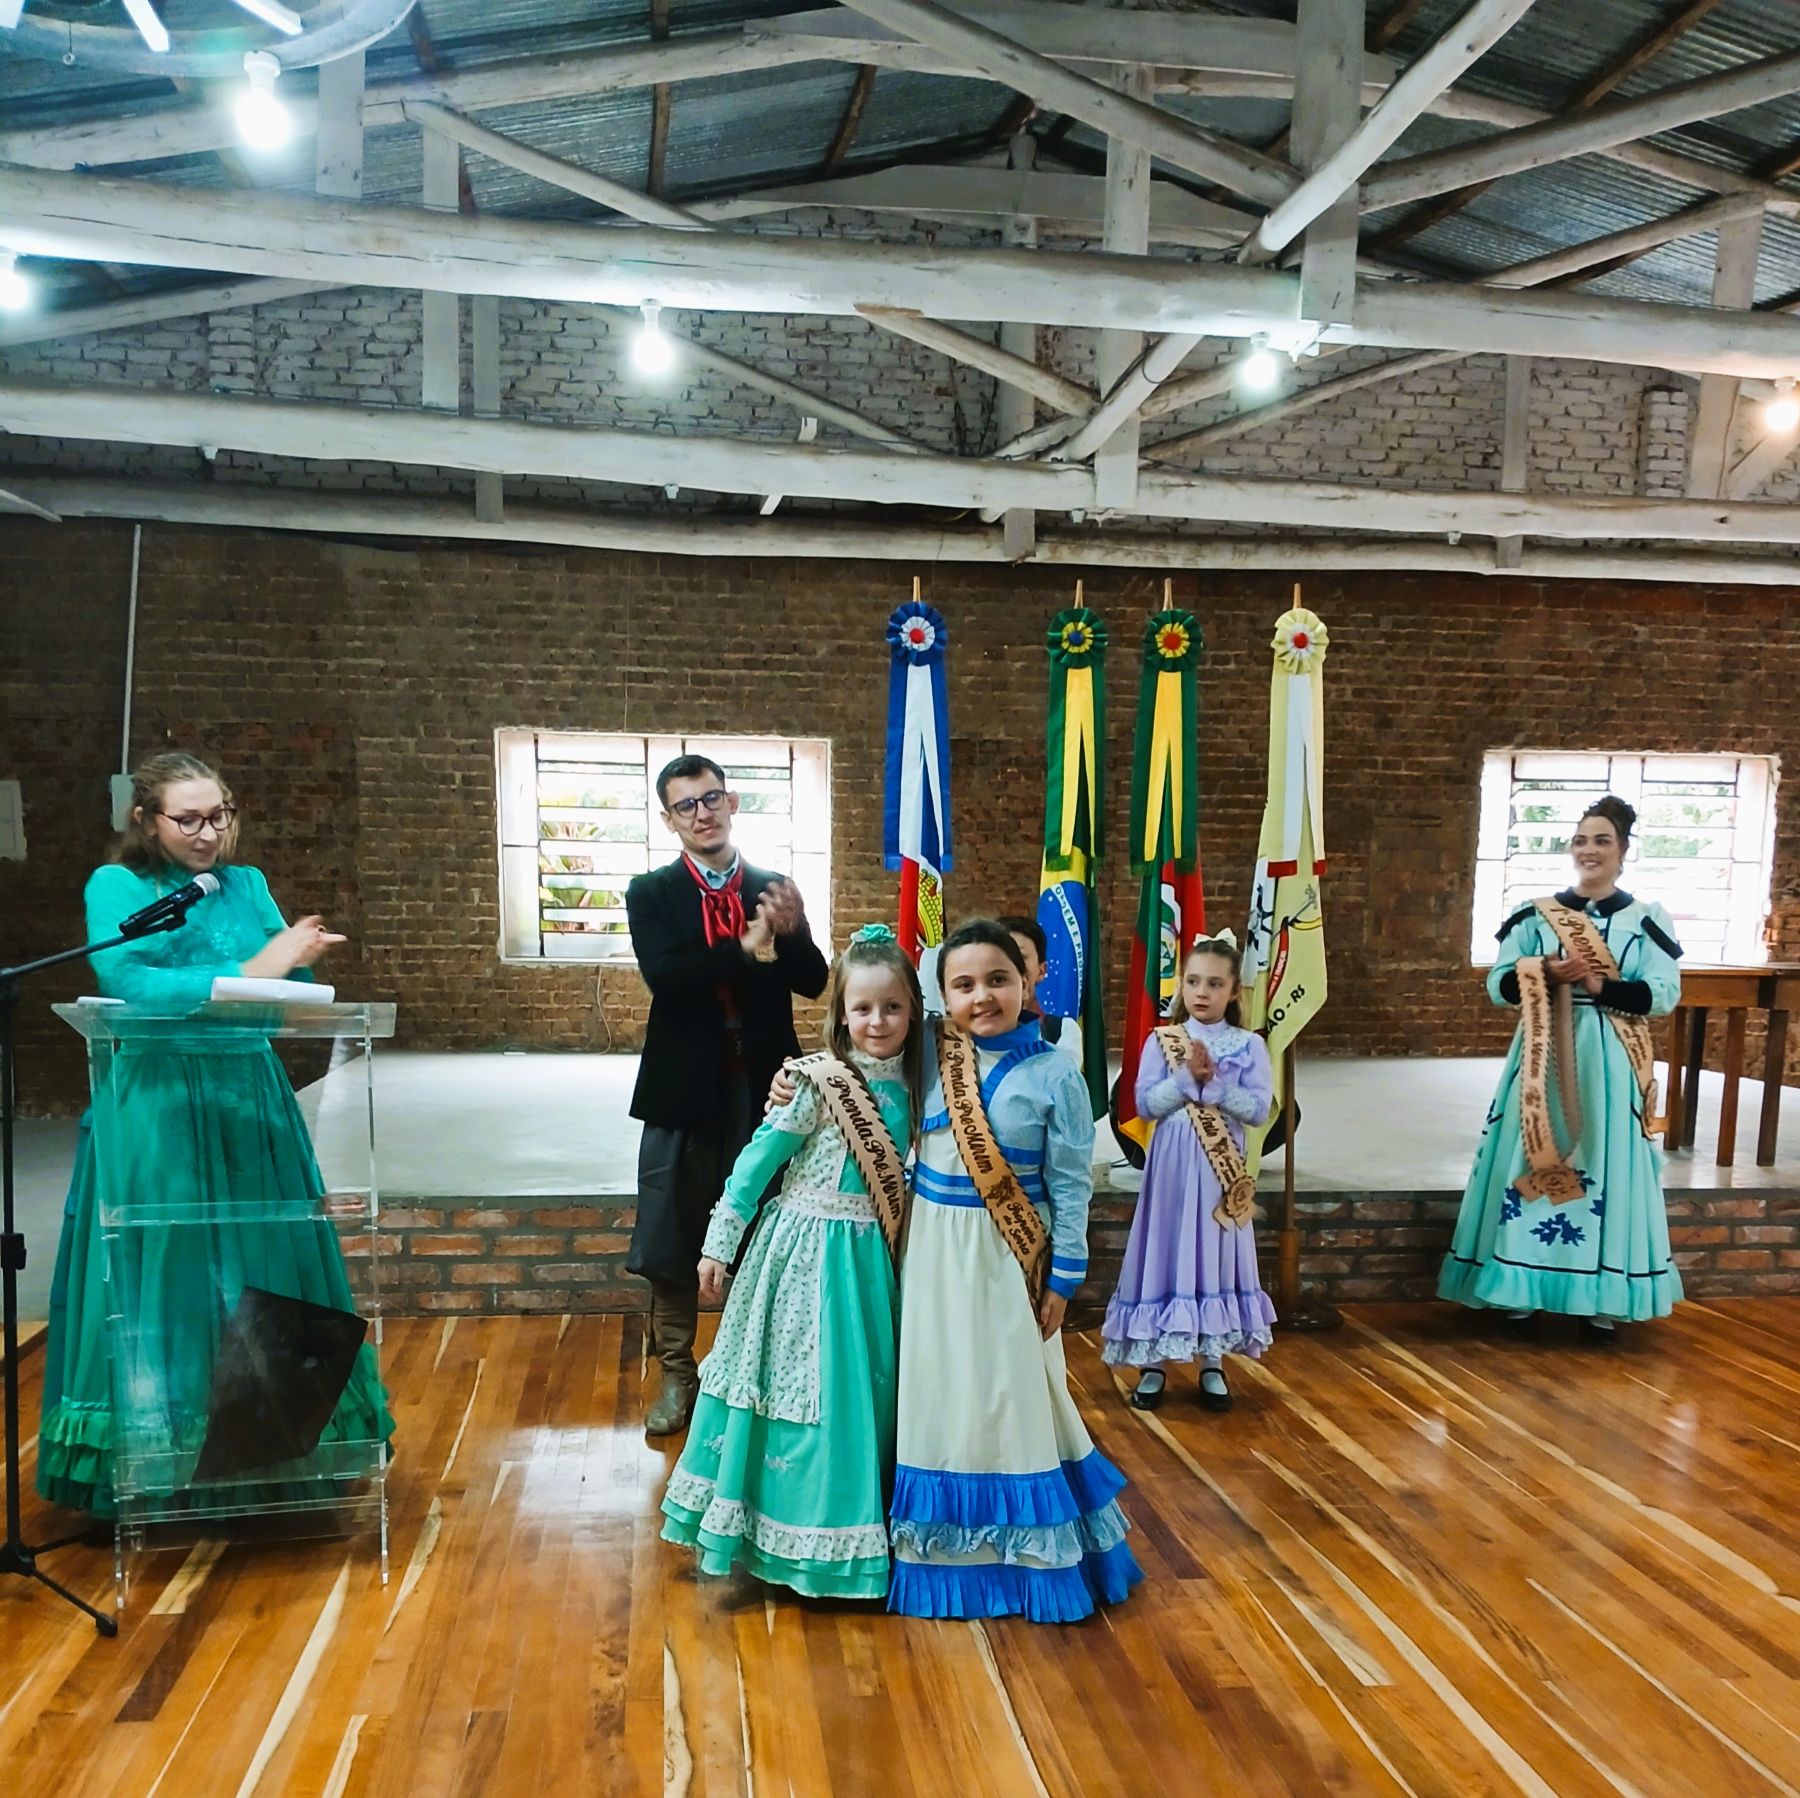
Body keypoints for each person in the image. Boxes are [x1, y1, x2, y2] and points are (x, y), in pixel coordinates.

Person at [37, 751, 393, 1518]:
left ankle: (272, 1447)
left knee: (266, 1260)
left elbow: (291, 992)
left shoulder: (247, 884)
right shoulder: (118, 886)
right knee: (166, 1269)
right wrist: (261, 964)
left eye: (219, 816)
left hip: (247, 1094)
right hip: (158, 1099)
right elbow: (130, 983)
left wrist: (286, 966)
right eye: (188, 819)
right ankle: (158, 1459)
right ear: (145, 820)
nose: (208, 834)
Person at [884, 919, 1141, 1621]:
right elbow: (856, 1061)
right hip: (934, 1256)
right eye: (964, 985)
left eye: (998, 980)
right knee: (940, 1389)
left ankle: (1029, 1561)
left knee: (1015, 1393)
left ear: (1027, 983)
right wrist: (791, 1082)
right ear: (942, 996)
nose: (982, 997)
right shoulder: (929, 1056)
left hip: (1010, 1260)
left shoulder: (1057, 1074)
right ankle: (943, 1556)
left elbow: (1071, 1185)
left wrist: (1063, 1278)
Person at [660, 926, 923, 1600]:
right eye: (862, 1008)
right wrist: (720, 1240)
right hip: (805, 1258)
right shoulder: (814, 1082)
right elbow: (757, 1163)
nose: (877, 1021)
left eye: (893, 1007)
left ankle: (853, 1536)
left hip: (874, 1260)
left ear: (913, 1010)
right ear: (841, 1014)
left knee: (863, 1389)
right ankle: (785, 1534)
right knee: (804, 1388)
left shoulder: (922, 1082)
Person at [626, 753, 830, 1436]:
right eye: (685, 805)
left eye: (711, 798)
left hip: (767, 1082)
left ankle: (747, 1373)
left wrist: (789, 932)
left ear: (732, 802)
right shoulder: (651, 892)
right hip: (683, 1085)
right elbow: (668, 979)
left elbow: (812, 982)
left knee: (766, 1224)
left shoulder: (772, 886)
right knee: (673, 1230)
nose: (702, 813)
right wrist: (747, 946)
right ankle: (678, 1373)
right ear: (669, 820)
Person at [1438, 796, 1684, 1336]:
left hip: (1608, 1058)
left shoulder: (1645, 920)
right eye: (1581, 840)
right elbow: (1499, 985)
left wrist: (1599, 984)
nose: (1589, 850)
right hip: (1541, 1054)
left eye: (1602, 840)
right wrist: (1544, 970)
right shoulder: (1536, 915)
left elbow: (1663, 993)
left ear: (1624, 850)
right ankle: (1519, 1286)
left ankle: (1601, 1295)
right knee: (1530, 1152)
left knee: (1601, 1160)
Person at [1101, 932, 1275, 1412]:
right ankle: (1153, 1361)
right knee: (1166, 1249)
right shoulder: (1163, 1040)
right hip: (1172, 1171)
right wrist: (1185, 1081)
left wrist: (1215, 1086)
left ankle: (1212, 1360)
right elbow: (1144, 1104)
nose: (1201, 992)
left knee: (1213, 1255)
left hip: (1220, 1171)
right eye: (1193, 981)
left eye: (1215, 984)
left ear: (1233, 991)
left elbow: (1259, 1110)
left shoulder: (1249, 1046)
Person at [997, 914, 1083, 1068]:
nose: (1011, 966)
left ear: (1042, 971)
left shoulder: (1061, 1031)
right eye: (1001, 956)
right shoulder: (966, 1035)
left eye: (1020, 957)